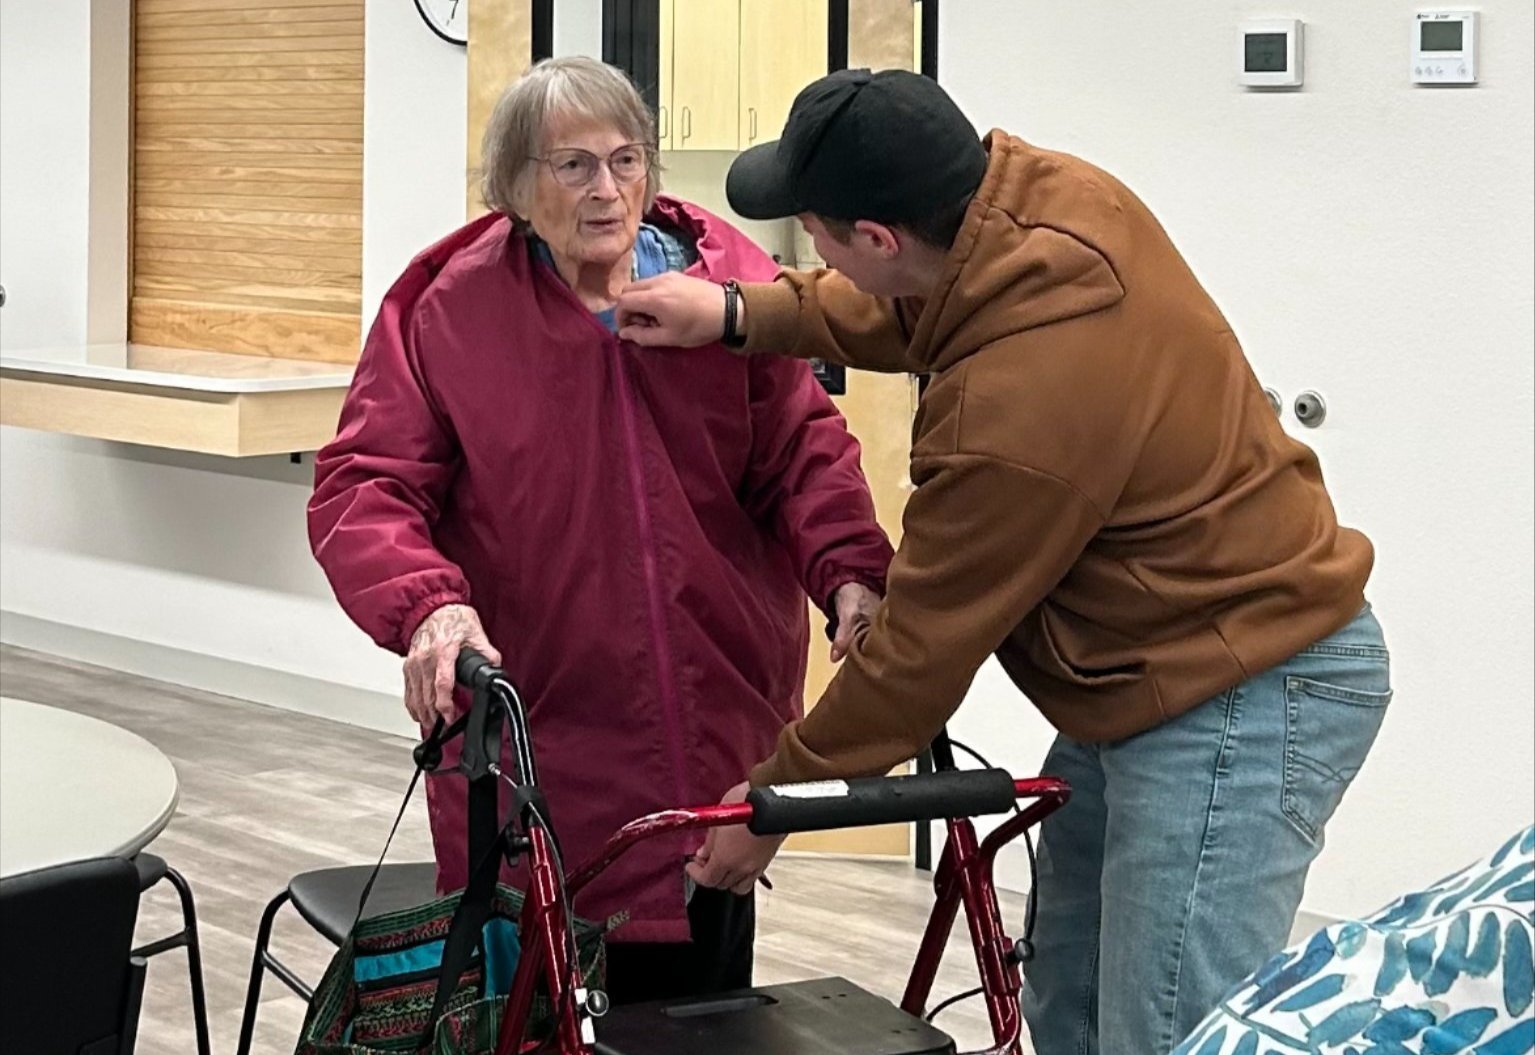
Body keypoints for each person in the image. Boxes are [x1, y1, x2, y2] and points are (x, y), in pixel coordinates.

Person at [614, 68, 1391, 1052]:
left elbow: (916, 661)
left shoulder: (1016, 409)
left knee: (1165, 1031)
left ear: (877, 237)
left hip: (1240, 688)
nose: (806, 246)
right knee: (1067, 998)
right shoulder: (1039, 199)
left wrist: (772, 801)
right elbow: (916, 306)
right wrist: (736, 313)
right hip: (1153, 677)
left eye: (813, 227)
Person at [307, 57, 892, 1006]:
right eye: (572, 166)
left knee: (692, 1006)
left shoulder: (728, 284)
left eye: (625, 160)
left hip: (712, 722)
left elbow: (802, 456)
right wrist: (429, 608)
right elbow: (365, 484)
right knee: (534, 1007)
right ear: (513, 186)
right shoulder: (449, 307)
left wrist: (850, 571)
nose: (607, 189)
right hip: (536, 739)